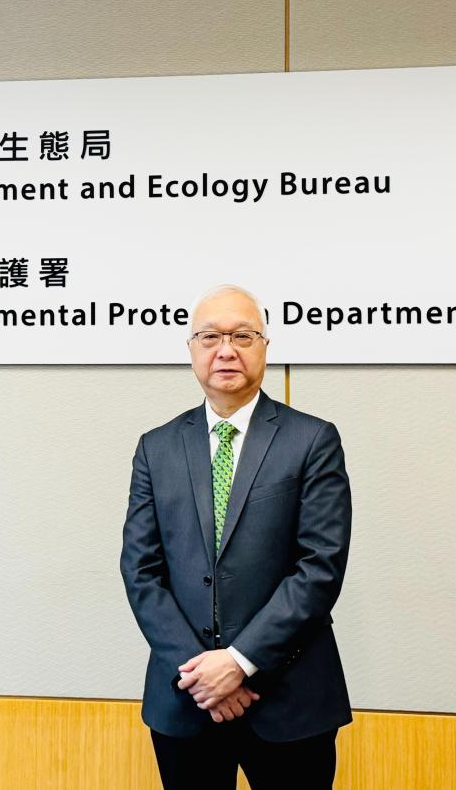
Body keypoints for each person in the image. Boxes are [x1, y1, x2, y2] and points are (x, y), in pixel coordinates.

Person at [120, 283, 353, 789]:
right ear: (191, 349)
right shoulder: (156, 448)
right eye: (210, 337)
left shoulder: (312, 440)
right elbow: (141, 571)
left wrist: (239, 663)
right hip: (187, 698)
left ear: (265, 346)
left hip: (289, 698)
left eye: (242, 336)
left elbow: (319, 567)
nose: (226, 350)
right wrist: (203, 675)